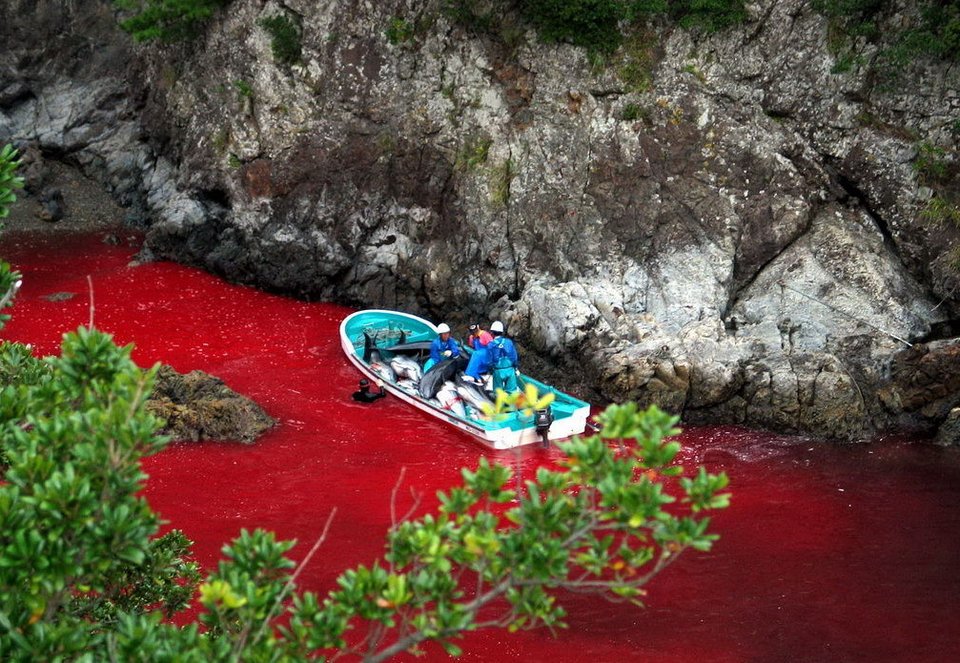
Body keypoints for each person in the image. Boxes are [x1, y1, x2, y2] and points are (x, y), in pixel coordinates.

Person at [487, 320, 519, 393]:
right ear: (502, 332)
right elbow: (514, 356)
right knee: (512, 392)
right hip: (510, 370)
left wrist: (490, 370)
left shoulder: (491, 345)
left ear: (492, 332)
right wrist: (516, 368)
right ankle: (510, 403)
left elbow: (489, 360)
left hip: (498, 371)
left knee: (498, 392)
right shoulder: (508, 342)